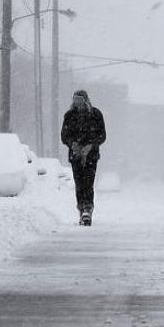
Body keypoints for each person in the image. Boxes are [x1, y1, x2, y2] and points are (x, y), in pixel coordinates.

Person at [60, 90, 107, 226]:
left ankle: (88, 209)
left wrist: (91, 145)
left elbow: (102, 135)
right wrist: (72, 143)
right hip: (75, 155)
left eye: (80, 99)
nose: (77, 102)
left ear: (86, 100)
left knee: (88, 183)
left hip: (91, 156)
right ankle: (81, 209)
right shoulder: (69, 116)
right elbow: (64, 136)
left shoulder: (95, 114)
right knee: (79, 184)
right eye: (75, 100)